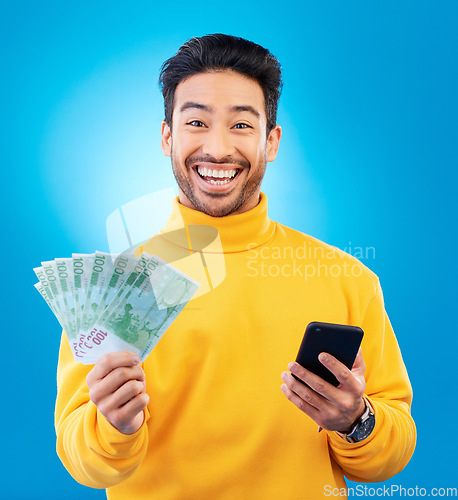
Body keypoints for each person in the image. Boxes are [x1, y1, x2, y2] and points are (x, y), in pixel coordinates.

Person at [55, 33, 416, 499]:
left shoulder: (348, 280)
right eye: (197, 122)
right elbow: (81, 459)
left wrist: (355, 421)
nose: (219, 148)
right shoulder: (111, 286)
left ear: (272, 141)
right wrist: (114, 427)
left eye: (242, 125)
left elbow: (393, 450)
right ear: (168, 137)